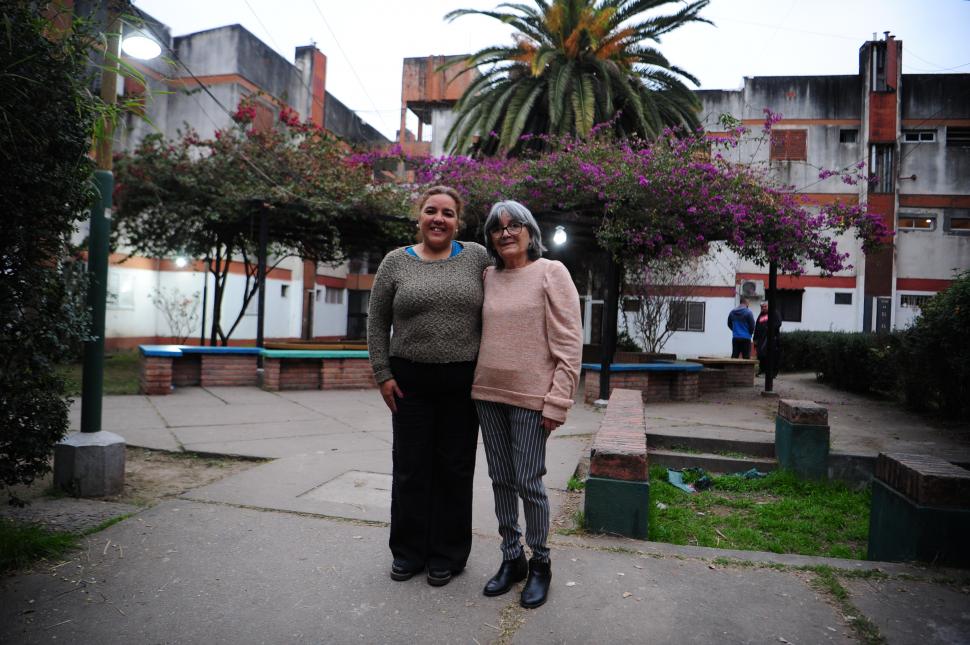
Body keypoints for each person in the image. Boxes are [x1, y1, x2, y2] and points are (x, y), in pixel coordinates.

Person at [366, 185, 492, 587]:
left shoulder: (477, 257)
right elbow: (376, 321)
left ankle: (447, 554)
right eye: (431, 210)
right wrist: (382, 373)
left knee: (455, 469)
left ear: (458, 221)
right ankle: (408, 552)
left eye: (448, 213)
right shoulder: (394, 262)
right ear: (419, 216)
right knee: (411, 468)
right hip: (410, 383)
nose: (439, 218)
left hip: (462, 383)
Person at [471, 200, 583, 609]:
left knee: (529, 483)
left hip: (532, 400)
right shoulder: (488, 276)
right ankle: (511, 557)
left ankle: (541, 563)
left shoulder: (551, 272)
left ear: (530, 231)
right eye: (497, 228)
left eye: (514, 225)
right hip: (488, 394)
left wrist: (559, 400)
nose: (505, 233)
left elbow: (569, 343)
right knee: (501, 479)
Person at [753, 301, 782, 377]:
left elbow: (778, 323)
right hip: (761, 339)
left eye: (765, 306)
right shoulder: (760, 315)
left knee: (771, 356)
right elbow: (757, 327)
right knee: (761, 355)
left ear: (769, 306)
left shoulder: (774, 313)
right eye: (762, 307)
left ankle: (772, 373)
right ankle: (762, 370)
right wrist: (755, 339)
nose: (763, 308)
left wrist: (769, 328)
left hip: (771, 338)